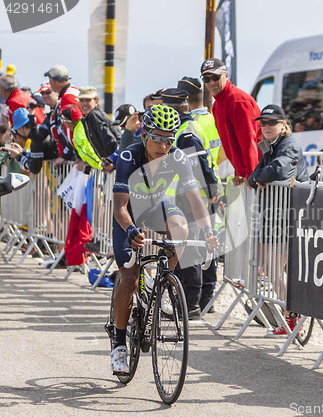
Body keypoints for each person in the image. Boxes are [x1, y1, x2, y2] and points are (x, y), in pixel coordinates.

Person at [110, 104, 219, 373]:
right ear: (145, 133)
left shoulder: (178, 157)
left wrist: (209, 230)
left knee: (181, 226)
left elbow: (196, 199)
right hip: (129, 216)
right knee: (129, 278)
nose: (163, 145)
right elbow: (119, 208)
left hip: (156, 209)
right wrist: (131, 230)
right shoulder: (128, 155)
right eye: (157, 137)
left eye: (169, 138)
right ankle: (120, 345)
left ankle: (163, 283)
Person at [247, 104, 308, 336]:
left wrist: (260, 176)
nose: (266, 126)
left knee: (273, 267)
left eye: (272, 122)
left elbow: (279, 170)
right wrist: (258, 177)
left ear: (284, 125)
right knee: (272, 266)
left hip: (287, 216)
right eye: (263, 123)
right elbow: (254, 176)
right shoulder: (271, 146)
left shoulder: (288, 145)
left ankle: (294, 316)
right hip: (276, 216)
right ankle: (290, 315)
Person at [162, 88, 220, 319]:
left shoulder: (185, 133)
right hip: (187, 195)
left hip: (188, 197)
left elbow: (199, 166)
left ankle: (191, 304)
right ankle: (189, 300)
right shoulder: (187, 127)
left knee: (190, 250)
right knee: (186, 248)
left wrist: (211, 190)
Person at [178, 76, 223, 312]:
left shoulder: (189, 124)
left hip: (194, 191)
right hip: (210, 188)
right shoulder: (211, 119)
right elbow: (220, 154)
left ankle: (196, 299)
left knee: (194, 245)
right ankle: (207, 296)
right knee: (208, 242)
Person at [200, 58, 261, 186]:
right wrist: (239, 172)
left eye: (215, 77)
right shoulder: (217, 105)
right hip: (249, 175)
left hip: (259, 174)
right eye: (206, 79)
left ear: (226, 75)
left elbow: (248, 141)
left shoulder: (237, 100)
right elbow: (231, 142)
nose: (211, 82)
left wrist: (251, 174)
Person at [43, 65, 79, 169]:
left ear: (52, 81)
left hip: (79, 155)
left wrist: (78, 156)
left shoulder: (67, 98)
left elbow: (74, 128)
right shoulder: (72, 91)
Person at [78, 86, 120, 159]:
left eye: (88, 100)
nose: (84, 103)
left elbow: (109, 139)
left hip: (113, 160)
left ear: (96, 102)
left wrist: (110, 160)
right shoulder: (88, 117)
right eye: (81, 100)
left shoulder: (94, 115)